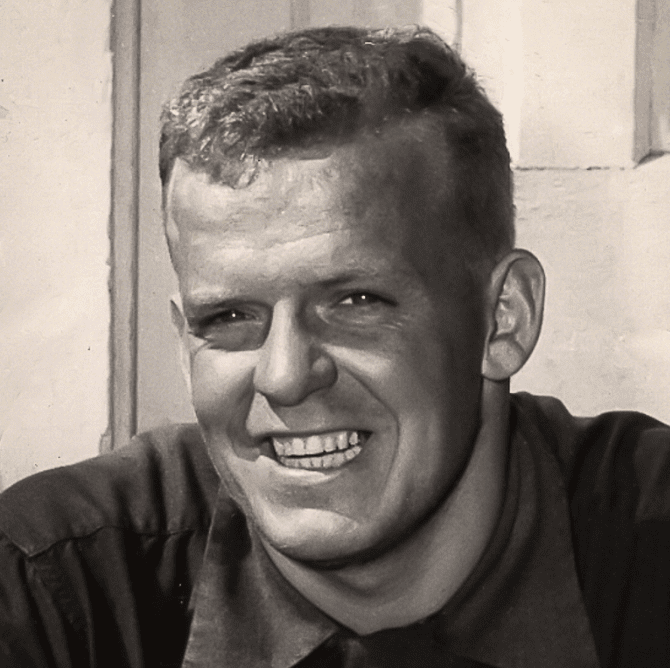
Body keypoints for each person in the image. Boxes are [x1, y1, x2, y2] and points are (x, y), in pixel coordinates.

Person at [0, 25, 669, 668]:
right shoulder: (50, 588)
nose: (285, 376)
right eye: (229, 317)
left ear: (503, 320)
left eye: (355, 303)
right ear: (184, 345)